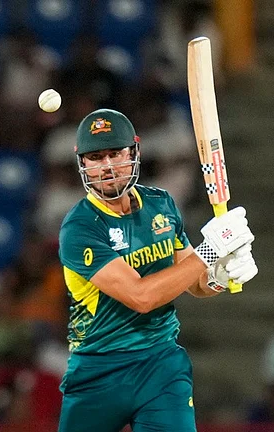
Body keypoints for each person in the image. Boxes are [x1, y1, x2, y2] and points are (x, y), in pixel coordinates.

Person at [57, 109, 258, 432]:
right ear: (82, 163)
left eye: (115, 154)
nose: (107, 166)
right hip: (100, 369)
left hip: (160, 364)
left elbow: (192, 282)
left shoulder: (161, 204)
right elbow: (141, 297)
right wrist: (210, 251)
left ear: (134, 152)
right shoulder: (80, 227)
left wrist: (220, 276)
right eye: (95, 157)